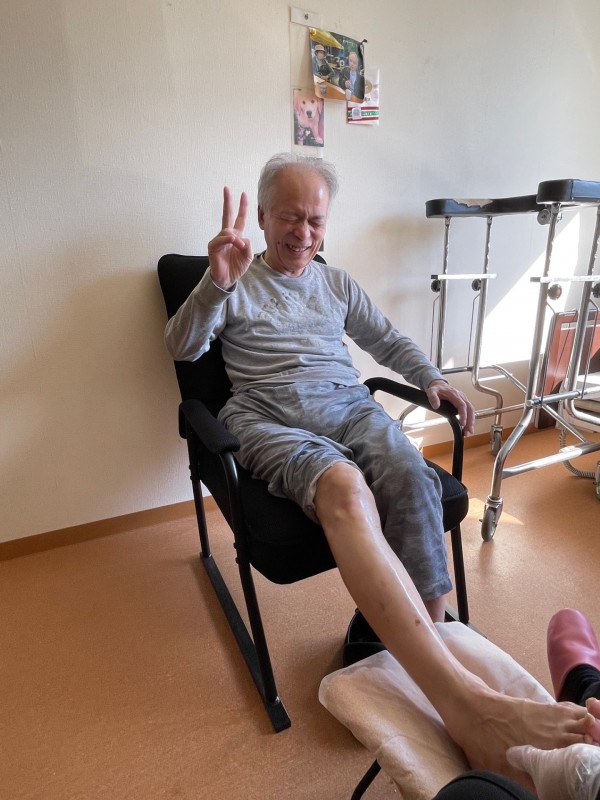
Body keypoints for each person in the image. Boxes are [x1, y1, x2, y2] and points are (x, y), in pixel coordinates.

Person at [164, 153, 599, 784]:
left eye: (316, 220)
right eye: (290, 217)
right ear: (262, 216)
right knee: (344, 486)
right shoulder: (233, 280)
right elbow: (181, 348)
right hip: (267, 416)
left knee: (412, 474)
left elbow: (386, 339)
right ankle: (465, 701)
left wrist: (430, 378)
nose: (304, 233)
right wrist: (215, 283)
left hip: (348, 405)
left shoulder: (336, 283)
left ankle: (438, 654)